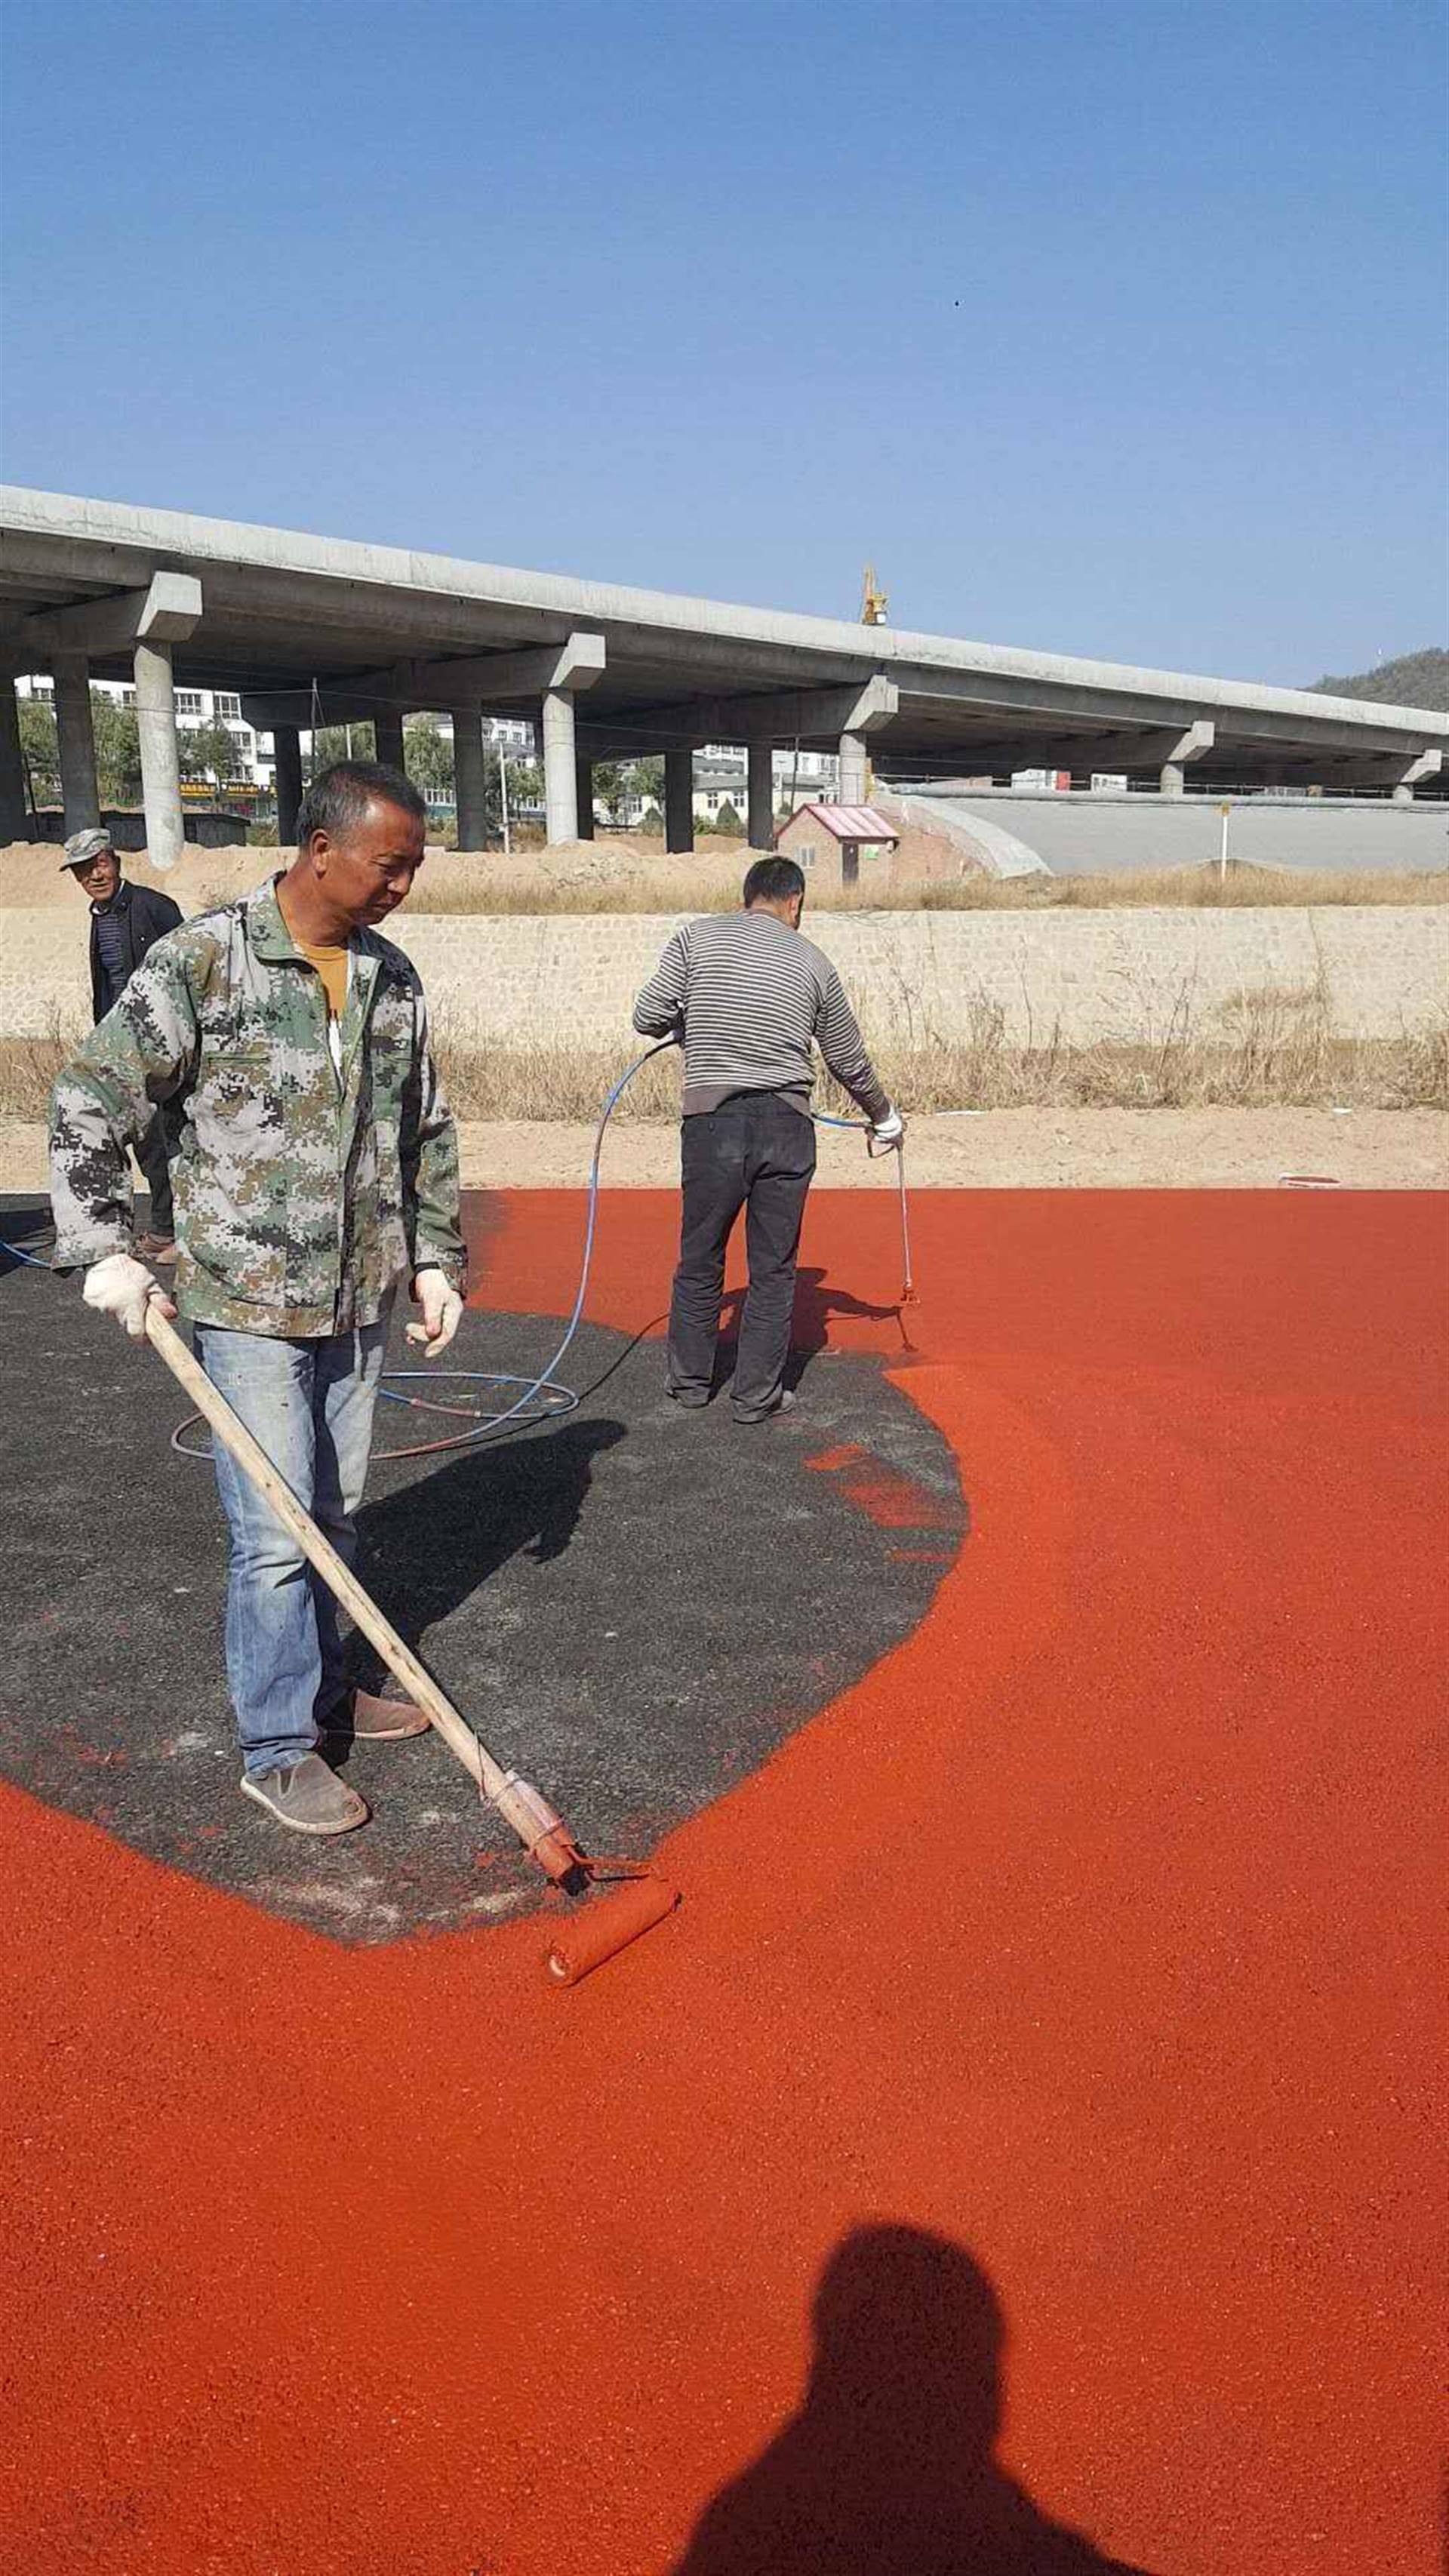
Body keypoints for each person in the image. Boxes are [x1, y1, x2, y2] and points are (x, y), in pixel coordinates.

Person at [50, 762, 467, 1839]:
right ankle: (279, 1747)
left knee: (333, 1511)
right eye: (390, 864)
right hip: (242, 1300)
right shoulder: (202, 961)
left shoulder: (394, 979)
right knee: (277, 1532)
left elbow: (425, 1127)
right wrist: (103, 1246)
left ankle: (327, 1689)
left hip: (357, 1293)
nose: (402, 887)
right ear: (321, 848)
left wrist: (431, 1256)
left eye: (414, 869)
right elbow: (90, 1093)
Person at [633, 853, 902, 1423]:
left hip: (712, 1125)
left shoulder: (695, 939)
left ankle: (689, 1384)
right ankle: (756, 1395)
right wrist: (884, 1116)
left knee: (700, 1255)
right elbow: (847, 1059)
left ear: (747, 896)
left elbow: (646, 1014)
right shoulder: (815, 962)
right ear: (795, 903)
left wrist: (689, 1023)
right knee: (774, 1268)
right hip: (786, 1127)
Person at [60, 825, 183, 1260]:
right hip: (121, 1046)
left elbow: (184, 975)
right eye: (83, 870)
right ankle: (165, 1229)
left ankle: (170, 1233)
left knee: (162, 1138)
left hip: (159, 1046)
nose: (94, 875)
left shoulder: (154, 908)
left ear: (115, 861)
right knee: (140, 1139)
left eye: (100, 864)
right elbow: (109, 986)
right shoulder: (101, 917)